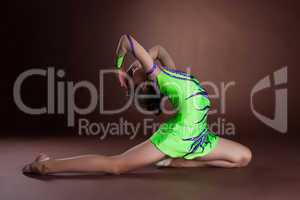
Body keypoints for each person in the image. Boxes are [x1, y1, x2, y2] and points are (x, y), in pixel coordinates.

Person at [22, 34, 252, 175]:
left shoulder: (169, 70)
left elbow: (159, 50)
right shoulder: (157, 77)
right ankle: (45, 166)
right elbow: (126, 41)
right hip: (179, 135)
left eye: (136, 66)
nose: (136, 65)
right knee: (117, 166)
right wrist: (119, 68)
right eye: (135, 70)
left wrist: (134, 68)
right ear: (146, 80)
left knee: (243, 158)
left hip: (199, 137)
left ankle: (178, 162)